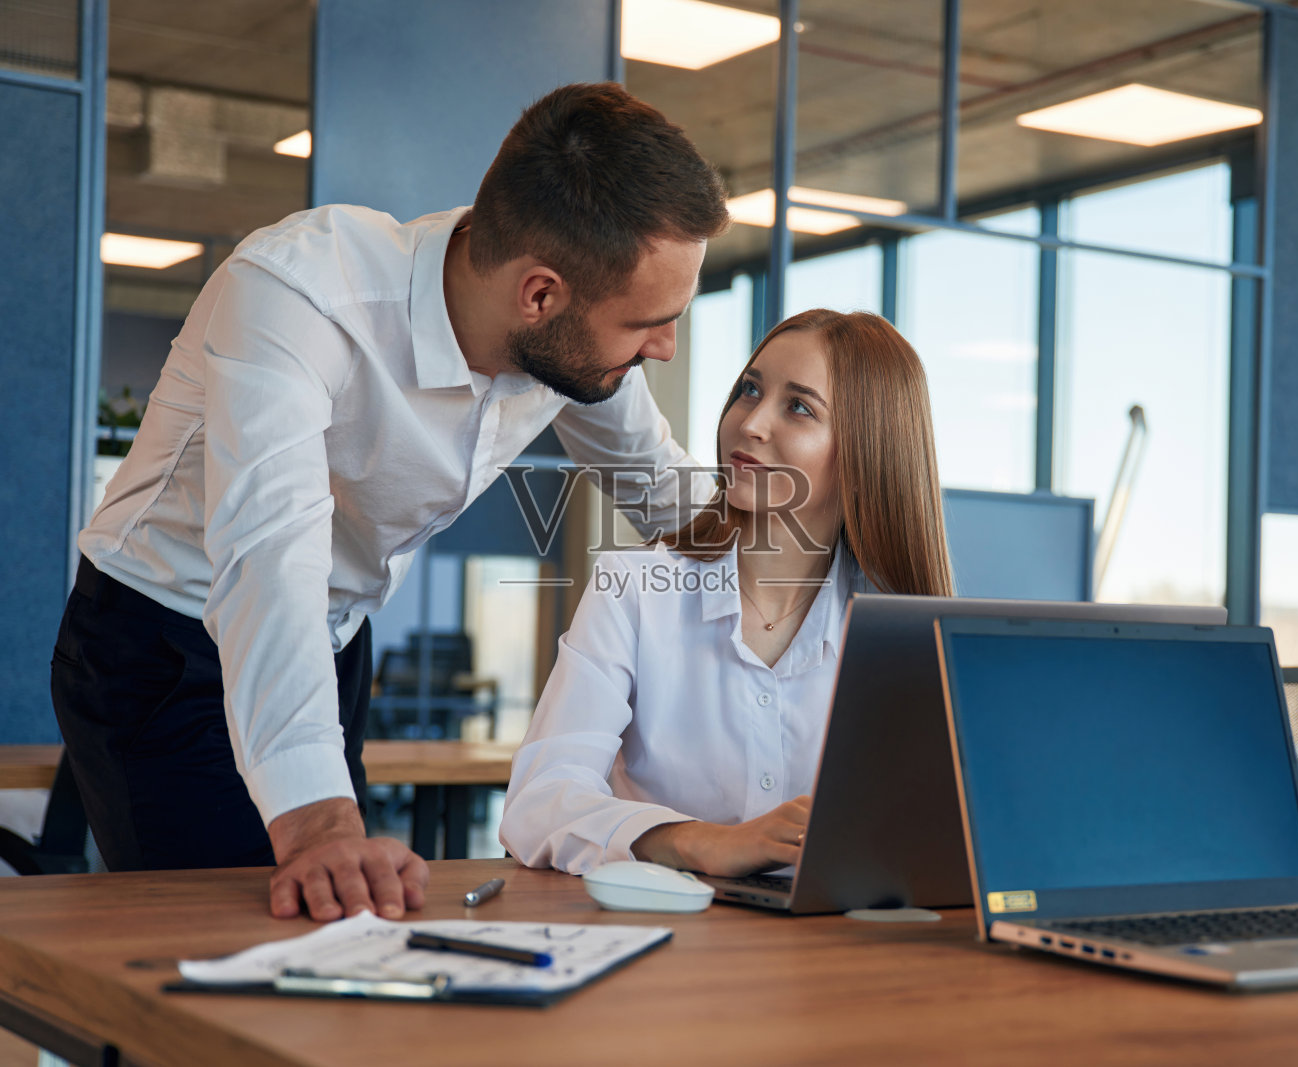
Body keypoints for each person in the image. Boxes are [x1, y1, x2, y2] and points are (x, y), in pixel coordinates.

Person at [52, 82, 728, 922]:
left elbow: (659, 485)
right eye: (648, 323)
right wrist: (317, 823)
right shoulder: (299, 295)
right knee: (232, 948)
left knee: (337, 934)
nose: (663, 347)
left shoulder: (576, 340)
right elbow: (269, 561)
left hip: (334, 642)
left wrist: (828, 550)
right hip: (163, 637)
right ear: (540, 295)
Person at [500, 309, 955, 876]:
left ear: (868, 452)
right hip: (664, 938)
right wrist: (699, 842)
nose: (752, 423)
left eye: (799, 407)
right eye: (749, 390)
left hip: (839, 950)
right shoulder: (636, 590)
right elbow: (537, 804)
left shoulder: (904, 627)